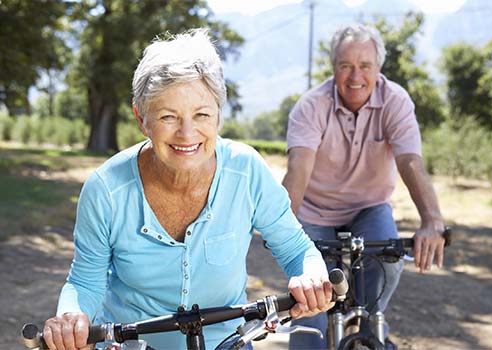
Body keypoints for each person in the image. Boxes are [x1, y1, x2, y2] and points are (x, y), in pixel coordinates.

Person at [43, 29, 335, 350]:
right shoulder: (106, 190)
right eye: (168, 116)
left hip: (226, 342)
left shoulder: (247, 170)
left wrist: (311, 275)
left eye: (202, 114)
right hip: (132, 344)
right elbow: (86, 280)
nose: (187, 133)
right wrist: (72, 316)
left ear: (219, 117)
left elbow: (296, 249)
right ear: (142, 119)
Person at [283, 24, 446, 350]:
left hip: (369, 207)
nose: (355, 76)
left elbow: (410, 162)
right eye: (345, 65)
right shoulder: (311, 106)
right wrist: (283, 230)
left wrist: (431, 221)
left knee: (388, 262)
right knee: (311, 302)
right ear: (333, 68)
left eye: (365, 66)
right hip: (316, 210)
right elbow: (298, 170)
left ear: (379, 68)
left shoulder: (395, 101)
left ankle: (367, 323)